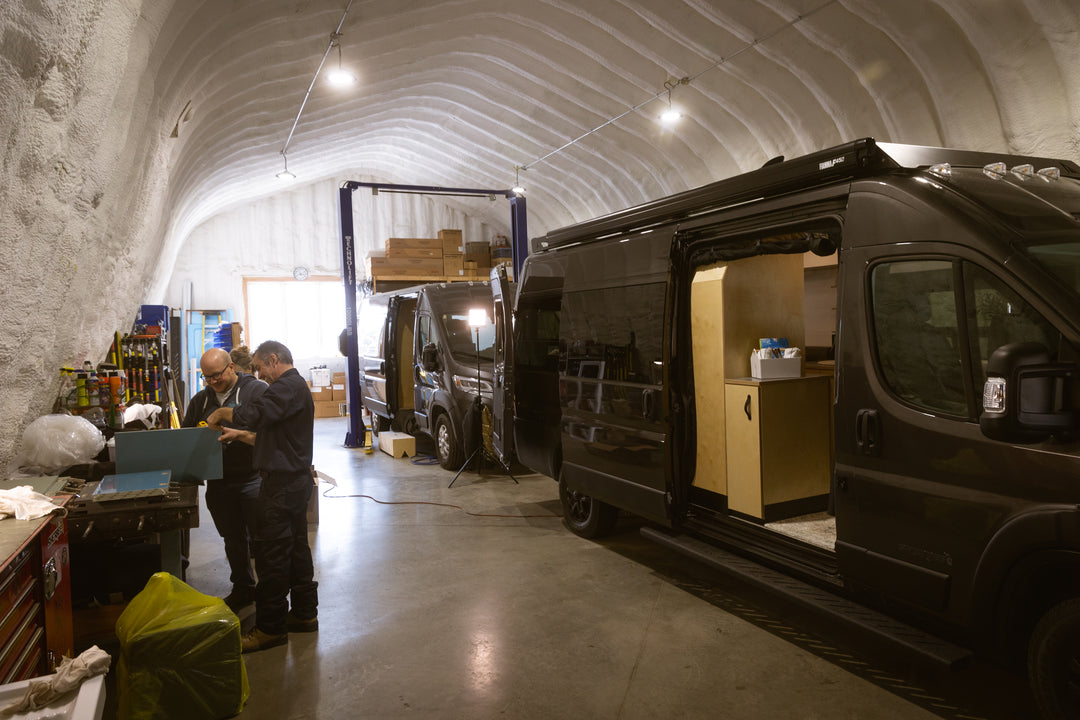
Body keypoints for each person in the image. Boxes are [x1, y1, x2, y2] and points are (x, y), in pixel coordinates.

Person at [206, 340, 318, 653]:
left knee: (271, 557)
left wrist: (224, 413)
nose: (259, 375)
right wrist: (239, 434)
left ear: (273, 359)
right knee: (296, 549)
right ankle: (305, 614)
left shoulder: (287, 386)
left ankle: (270, 629)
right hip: (292, 482)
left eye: (259, 368)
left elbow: (256, 413)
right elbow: (273, 434)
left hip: (282, 487)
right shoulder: (291, 391)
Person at [182, 347, 267, 612]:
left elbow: (270, 431)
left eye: (217, 374)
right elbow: (185, 439)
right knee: (233, 539)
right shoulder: (200, 401)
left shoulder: (256, 391)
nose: (213, 381)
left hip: (253, 478)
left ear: (231, 367)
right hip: (219, 483)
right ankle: (243, 588)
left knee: (263, 539)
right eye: (207, 377)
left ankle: (270, 592)